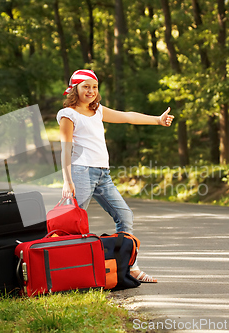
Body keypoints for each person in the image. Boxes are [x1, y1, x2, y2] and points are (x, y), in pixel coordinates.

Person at [57, 69, 174, 283]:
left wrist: (157, 120)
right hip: (81, 172)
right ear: (75, 89)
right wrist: (67, 180)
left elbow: (127, 116)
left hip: (103, 174)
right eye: (86, 86)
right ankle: (64, 271)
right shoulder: (68, 115)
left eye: (94, 86)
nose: (91, 91)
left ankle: (130, 267)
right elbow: (65, 149)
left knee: (125, 215)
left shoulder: (98, 111)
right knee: (73, 222)